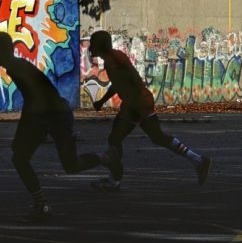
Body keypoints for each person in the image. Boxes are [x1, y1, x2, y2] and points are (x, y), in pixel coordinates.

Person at [0, 32, 122, 221]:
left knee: (21, 159)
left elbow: (36, 97)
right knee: (68, 165)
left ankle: (41, 206)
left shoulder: (17, 67)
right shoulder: (15, 66)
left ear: (1, 51)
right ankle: (105, 158)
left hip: (52, 115)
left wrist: (27, 129)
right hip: (55, 113)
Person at [88, 30, 212, 191]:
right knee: (155, 137)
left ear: (101, 45)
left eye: (93, 43)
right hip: (137, 102)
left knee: (116, 139)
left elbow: (134, 78)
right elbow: (119, 84)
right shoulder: (110, 60)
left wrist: (135, 104)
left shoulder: (116, 58)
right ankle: (199, 161)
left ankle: (114, 180)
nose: (91, 47)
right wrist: (101, 101)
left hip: (137, 103)